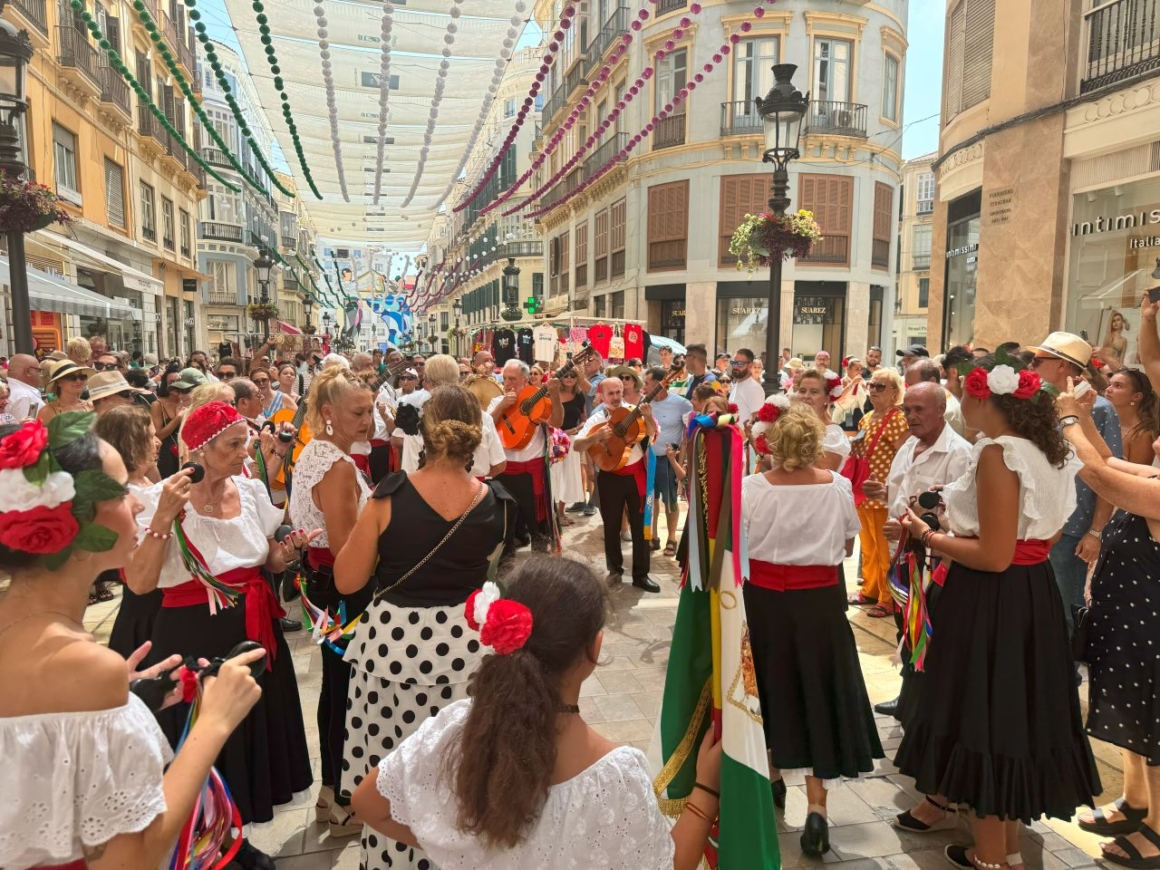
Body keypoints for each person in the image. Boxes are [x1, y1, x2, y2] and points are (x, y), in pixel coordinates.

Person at [0, 417, 265, 870]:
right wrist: (215, 720)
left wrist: (130, 699)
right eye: (123, 490)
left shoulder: (33, 635)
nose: (139, 506)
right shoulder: (79, 664)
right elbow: (131, 859)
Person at [349, 557, 722, 869]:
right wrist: (705, 790)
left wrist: (455, 852)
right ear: (594, 649)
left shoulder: (457, 728)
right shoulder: (617, 776)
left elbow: (366, 803)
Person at [895, 354, 1100, 870]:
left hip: (989, 599)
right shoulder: (1044, 452)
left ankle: (994, 859)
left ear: (984, 398)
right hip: (1033, 593)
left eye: (961, 390)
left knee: (982, 721)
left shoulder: (999, 454)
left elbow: (993, 554)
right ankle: (1003, 849)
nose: (958, 399)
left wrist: (929, 534)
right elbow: (1044, 534)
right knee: (1013, 720)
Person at [334, 385, 513, 870]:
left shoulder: (388, 497)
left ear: (423, 432)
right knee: (459, 770)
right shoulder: (495, 502)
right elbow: (487, 577)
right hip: (465, 647)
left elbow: (347, 580)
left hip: (392, 647)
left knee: (392, 769)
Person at [127, 401, 314, 857]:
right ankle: (199, 840)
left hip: (252, 634)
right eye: (233, 444)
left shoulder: (249, 492)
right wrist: (162, 520)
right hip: (191, 636)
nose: (244, 452)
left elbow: (267, 558)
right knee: (201, 739)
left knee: (251, 732)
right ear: (200, 448)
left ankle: (238, 839)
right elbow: (140, 582)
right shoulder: (162, 498)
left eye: (245, 443)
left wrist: (287, 555)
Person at [743, 403, 883, 855]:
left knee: (769, 686)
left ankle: (772, 776)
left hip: (765, 605)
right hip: (820, 603)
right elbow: (846, 544)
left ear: (771, 444)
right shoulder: (838, 487)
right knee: (817, 691)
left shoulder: (751, 489)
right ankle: (817, 806)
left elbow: (739, 550)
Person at [859, 384, 973, 832]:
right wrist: (883, 491)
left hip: (937, 563)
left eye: (918, 409)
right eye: (906, 409)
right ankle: (911, 701)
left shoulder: (960, 454)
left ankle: (920, 712)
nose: (910, 416)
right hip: (908, 554)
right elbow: (903, 492)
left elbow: (959, 518)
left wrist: (919, 530)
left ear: (943, 410)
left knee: (926, 639)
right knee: (910, 637)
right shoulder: (909, 443)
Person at [1058, 381, 1160, 866]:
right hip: (1133, 623)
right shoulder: (1154, 474)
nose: (1157, 442)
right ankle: (1137, 802)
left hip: (1153, 630)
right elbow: (1110, 460)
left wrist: (1065, 420)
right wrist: (1079, 417)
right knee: (1135, 722)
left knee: (1156, 728)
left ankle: (1159, 830)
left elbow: (1098, 475)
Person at [288, 367, 376, 838]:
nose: (368, 420)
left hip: (323, 586)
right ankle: (340, 794)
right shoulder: (337, 465)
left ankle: (333, 791)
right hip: (343, 591)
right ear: (328, 415)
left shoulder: (320, 453)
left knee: (337, 684)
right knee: (346, 688)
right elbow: (346, 554)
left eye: (369, 409)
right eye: (358, 412)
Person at [1027, 332, 1122, 636]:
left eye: (1040, 360)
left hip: (1072, 528)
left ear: (1063, 367)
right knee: (1039, 605)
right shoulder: (1041, 402)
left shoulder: (1100, 408)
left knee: (1065, 608)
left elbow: (1107, 472)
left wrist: (1095, 531)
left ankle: (1064, 672)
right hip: (1038, 520)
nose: (1033, 365)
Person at [573, 377, 659, 593]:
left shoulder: (635, 411)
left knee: (640, 526)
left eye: (618, 392)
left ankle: (641, 575)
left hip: (635, 475)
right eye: (610, 393)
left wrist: (648, 419)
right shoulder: (596, 419)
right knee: (611, 526)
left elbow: (651, 434)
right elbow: (577, 445)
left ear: (623, 391)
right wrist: (596, 437)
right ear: (601, 395)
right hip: (610, 477)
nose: (615, 397)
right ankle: (615, 571)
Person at [95, 405, 165, 658]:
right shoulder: (123, 492)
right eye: (149, 436)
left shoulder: (145, 479)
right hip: (146, 601)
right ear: (130, 443)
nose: (157, 442)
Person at [851, 368, 910, 616]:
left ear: (894, 392)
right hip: (864, 493)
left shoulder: (897, 419)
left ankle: (888, 598)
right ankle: (870, 589)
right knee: (868, 547)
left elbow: (904, 454)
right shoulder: (867, 418)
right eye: (871, 386)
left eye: (880, 387)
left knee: (885, 550)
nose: (873, 390)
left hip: (883, 495)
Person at [489, 359, 562, 554]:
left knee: (539, 528)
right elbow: (485, 428)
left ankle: (540, 570)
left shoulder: (537, 401)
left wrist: (555, 396)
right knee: (505, 528)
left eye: (512, 378)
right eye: (504, 378)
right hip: (504, 472)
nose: (507, 383)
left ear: (525, 380)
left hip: (532, 474)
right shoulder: (497, 401)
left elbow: (557, 421)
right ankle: (506, 571)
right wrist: (500, 408)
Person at [396, 355, 505, 478]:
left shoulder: (418, 421)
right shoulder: (483, 417)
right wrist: (475, 482)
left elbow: (410, 471)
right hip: (475, 493)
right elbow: (499, 464)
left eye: (425, 379)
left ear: (428, 383)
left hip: (430, 493)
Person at [645, 366, 692, 557]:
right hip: (649, 459)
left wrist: (680, 463)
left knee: (670, 501)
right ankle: (652, 536)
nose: (644, 387)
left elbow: (687, 435)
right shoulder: (645, 403)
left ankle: (672, 537)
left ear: (659, 383)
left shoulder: (681, 404)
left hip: (669, 460)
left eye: (647, 383)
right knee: (651, 499)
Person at [795, 369, 852, 472]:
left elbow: (822, 473)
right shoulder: (794, 425)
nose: (806, 396)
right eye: (802, 391)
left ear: (826, 399)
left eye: (814, 392)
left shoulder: (832, 433)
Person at [551, 367, 587, 527]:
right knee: (554, 475)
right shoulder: (552, 394)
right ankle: (551, 512)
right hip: (553, 439)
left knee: (568, 476)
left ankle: (560, 512)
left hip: (571, 440)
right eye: (566, 374)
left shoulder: (579, 395)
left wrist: (574, 431)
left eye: (573, 375)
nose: (569, 377)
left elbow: (584, 419)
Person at [1103, 368, 1159, 465]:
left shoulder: (1141, 434)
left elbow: (1137, 477)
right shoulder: (1106, 421)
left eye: (1118, 386)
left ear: (1137, 396)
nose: (1108, 390)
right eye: (1109, 384)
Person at [905, 358, 968, 439]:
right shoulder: (938, 399)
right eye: (907, 386)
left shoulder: (945, 412)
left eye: (912, 385)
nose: (907, 391)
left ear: (931, 381)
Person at [151, 364, 186, 480]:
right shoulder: (158, 404)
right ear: (165, 384)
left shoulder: (188, 401)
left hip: (186, 451)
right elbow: (159, 435)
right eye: (171, 382)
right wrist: (178, 418)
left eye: (178, 381)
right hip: (167, 455)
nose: (175, 385)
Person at [728, 347, 764, 425]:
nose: (735, 367)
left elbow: (757, 420)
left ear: (750, 365)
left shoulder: (754, 388)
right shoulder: (735, 385)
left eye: (740, 364)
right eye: (734, 363)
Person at [5, 353, 43, 420]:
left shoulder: (7, 388)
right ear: (28, 371)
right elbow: (27, 428)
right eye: (38, 370)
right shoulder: (24, 396)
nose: (41, 375)